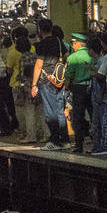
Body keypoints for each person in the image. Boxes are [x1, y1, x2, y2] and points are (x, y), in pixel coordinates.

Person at [31, 19, 70, 150]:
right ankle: (65, 140)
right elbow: (67, 58)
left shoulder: (40, 45)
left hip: (46, 81)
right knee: (60, 111)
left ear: (39, 30)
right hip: (59, 81)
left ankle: (54, 140)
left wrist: (34, 85)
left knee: (49, 112)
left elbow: (38, 65)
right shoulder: (59, 42)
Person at [64, 33, 93, 153]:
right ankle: (98, 142)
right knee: (94, 116)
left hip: (79, 89)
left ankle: (78, 145)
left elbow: (69, 76)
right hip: (92, 87)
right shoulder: (92, 55)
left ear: (77, 44)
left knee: (78, 117)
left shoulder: (73, 58)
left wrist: (66, 88)